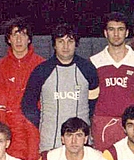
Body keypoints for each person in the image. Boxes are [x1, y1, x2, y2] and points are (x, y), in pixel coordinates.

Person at [21, 23, 100, 152]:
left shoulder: (88, 69)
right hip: (50, 142)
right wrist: (44, 123)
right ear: (54, 44)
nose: (65, 46)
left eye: (70, 41)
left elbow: (94, 102)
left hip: (81, 145)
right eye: (60, 41)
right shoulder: (42, 70)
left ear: (76, 44)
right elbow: (27, 105)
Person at [90, 12, 134, 150]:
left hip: (130, 124)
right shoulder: (94, 62)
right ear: (105, 33)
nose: (116, 34)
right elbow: (89, 98)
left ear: (127, 32)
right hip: (103, 124)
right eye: (111, 29)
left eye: (120, 29)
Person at [0, 17, 44, 160]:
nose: (19, 39)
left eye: (23, 34)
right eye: (15, 34)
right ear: (8, 39)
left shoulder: (42, 65)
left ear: (29, 39)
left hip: (36, 127)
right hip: (10, 129)